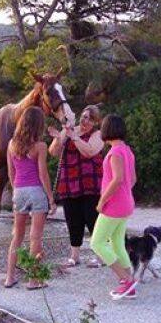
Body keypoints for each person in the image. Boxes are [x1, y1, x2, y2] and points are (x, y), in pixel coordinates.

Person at [4, 107, 57, 289]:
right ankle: (33, 280)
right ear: (38, 125)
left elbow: (11, 173)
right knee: (35, 237)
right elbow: (43, 174)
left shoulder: (11, 145)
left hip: (19, 190)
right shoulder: (40, 147)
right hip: (36, 192)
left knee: (17, 236)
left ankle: (9, 277)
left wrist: (15, 190)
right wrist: (51, 198)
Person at [48, 105, 105, 267]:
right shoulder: (72, 130)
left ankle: (100, 255)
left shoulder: (97, 134)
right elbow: (54, 152)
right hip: (70, 182)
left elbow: (89, 151)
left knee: (92, 219)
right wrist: (58, 138)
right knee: (72, 219)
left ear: (95, 121)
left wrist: (73, 136)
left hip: (90, 183)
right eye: (83, 116)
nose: (84, 119)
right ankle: (74, 256)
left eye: (88, 117)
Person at [90, 114, 138, 300]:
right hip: (126, 204)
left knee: (97, 243)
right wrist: (125, 193)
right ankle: (128, 283)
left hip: (115, 206)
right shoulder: (127, 150)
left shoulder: (116, 152)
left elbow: (117, 179)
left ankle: (126, 280)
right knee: (116, 243)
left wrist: (103, 201)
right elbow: (131, 179)